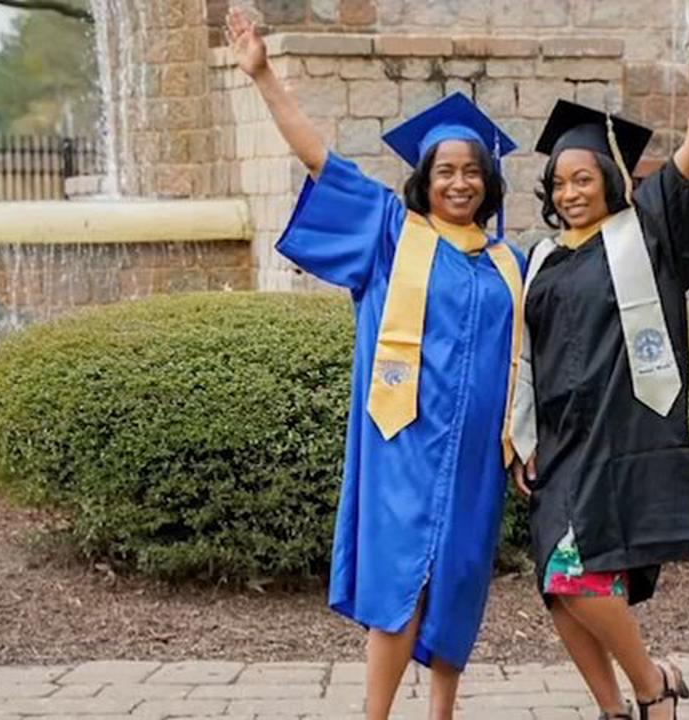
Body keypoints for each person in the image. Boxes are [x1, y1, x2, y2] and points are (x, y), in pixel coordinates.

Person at [225, 8, 525, 720]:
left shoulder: (509, 261)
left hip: (480, 454)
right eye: (445, 170)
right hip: (404, 444)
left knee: (456, 582)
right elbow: (321, 162)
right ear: (425, 179)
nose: (459, 182)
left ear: (489, 181)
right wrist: (264, 74)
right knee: (399, 585)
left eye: (472, 171)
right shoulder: (393, 233)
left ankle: (442, 714)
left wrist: (524, 441)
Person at [507, 9, 689, 720]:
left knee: (582, 580)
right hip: (561, 442)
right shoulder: (544, 259)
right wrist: (518, 434)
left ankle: (652, 688)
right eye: (559, 183)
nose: (571, 192)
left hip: (623, 436)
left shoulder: (645, 230)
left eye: (584, 178)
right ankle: (617, 709)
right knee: (558, 591)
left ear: (612, 178)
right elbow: (528, 352)